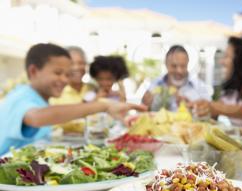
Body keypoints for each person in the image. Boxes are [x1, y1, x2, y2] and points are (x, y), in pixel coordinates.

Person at [0, 43, 146, 156]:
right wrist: (103, 105)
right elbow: (38, 117)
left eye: (67, 74)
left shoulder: (40, 99)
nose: (64, 79)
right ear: (33, 71)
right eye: (58, 73)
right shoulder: (21, 96)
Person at [190, 37, 242, 132]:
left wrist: (214, 107)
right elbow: (214, 112)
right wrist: (196, 106)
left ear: (241, 61)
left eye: (226, 56)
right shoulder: (233, 92)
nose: (221, 62)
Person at [142, 45, 212, 111]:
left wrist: (193, 108)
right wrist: (146, 106)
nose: (179, 71)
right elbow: (143, 111)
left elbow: (212, 114)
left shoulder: (199, 86)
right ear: (166, 64)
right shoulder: (155, 84)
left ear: (187, 64)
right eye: (174, 66)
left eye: (183, 66)